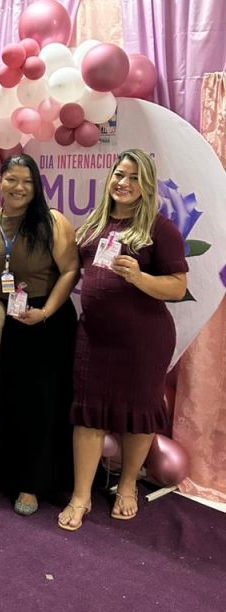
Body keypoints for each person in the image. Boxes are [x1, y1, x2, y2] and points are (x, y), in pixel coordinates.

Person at [58, 149, 188, 532]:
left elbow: (178, 287)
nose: (124, 183)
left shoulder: (160, 229)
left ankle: (128, 485)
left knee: (139, 415)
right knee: (89, 415)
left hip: (144, 341)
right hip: (94, 338)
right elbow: (70, 270)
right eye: (119, 174)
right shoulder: (92, 225)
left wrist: (138, 277)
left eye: (134, 178)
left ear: (146, 186)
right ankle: (81, 495)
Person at [0, 154, 79, 515]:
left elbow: (70, 270)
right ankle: (6, 471)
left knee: (42, 402)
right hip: (3, 320)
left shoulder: (53, 222)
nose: (18, 187)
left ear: (36, 186)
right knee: (7, 395)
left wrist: (45, 311)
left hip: (46, 320)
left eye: (27, 181)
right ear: (0, 181)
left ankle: (34, 482)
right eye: (11, 179)